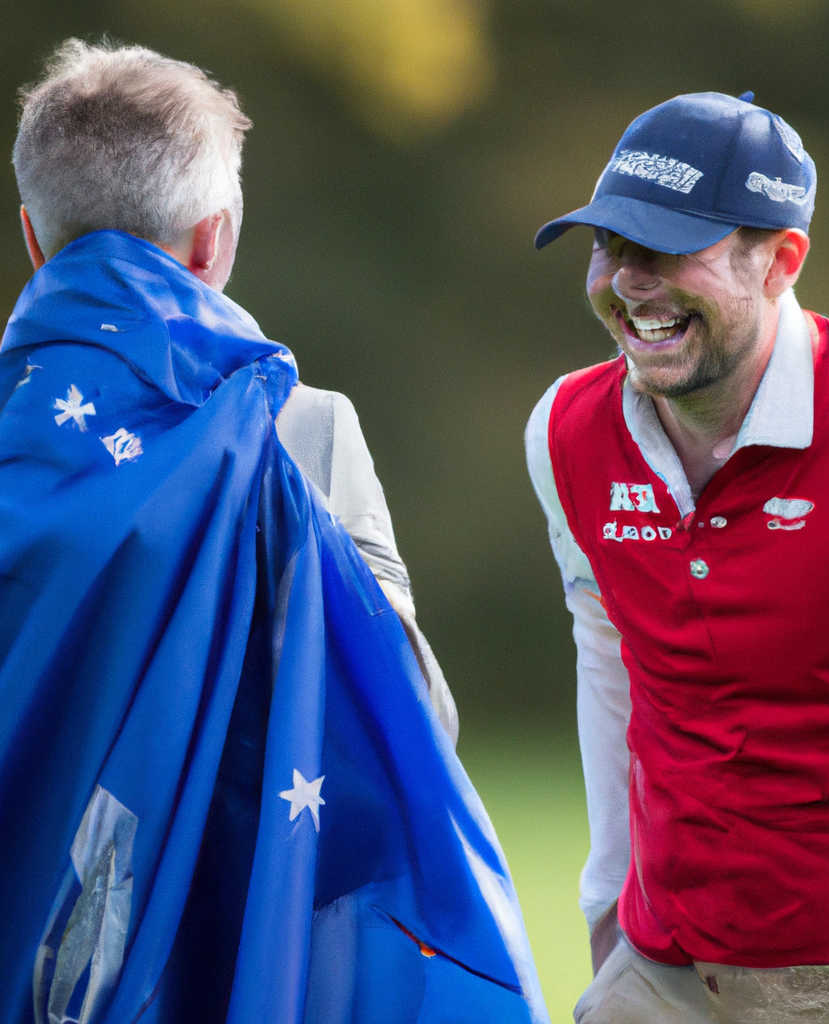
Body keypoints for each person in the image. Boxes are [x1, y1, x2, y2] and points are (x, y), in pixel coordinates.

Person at [0, 40, 545, 1023]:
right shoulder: (298, 432)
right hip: (212, 959)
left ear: (35, 239)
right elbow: (411, 712)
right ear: (212, 241)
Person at [525, 91, 829, 1024]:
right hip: (657, 967)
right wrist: (607, 909)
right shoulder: (563, 429)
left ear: (782, 259)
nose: (631, 283)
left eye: (671, 250)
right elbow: (612, 661)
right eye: (612, 247)